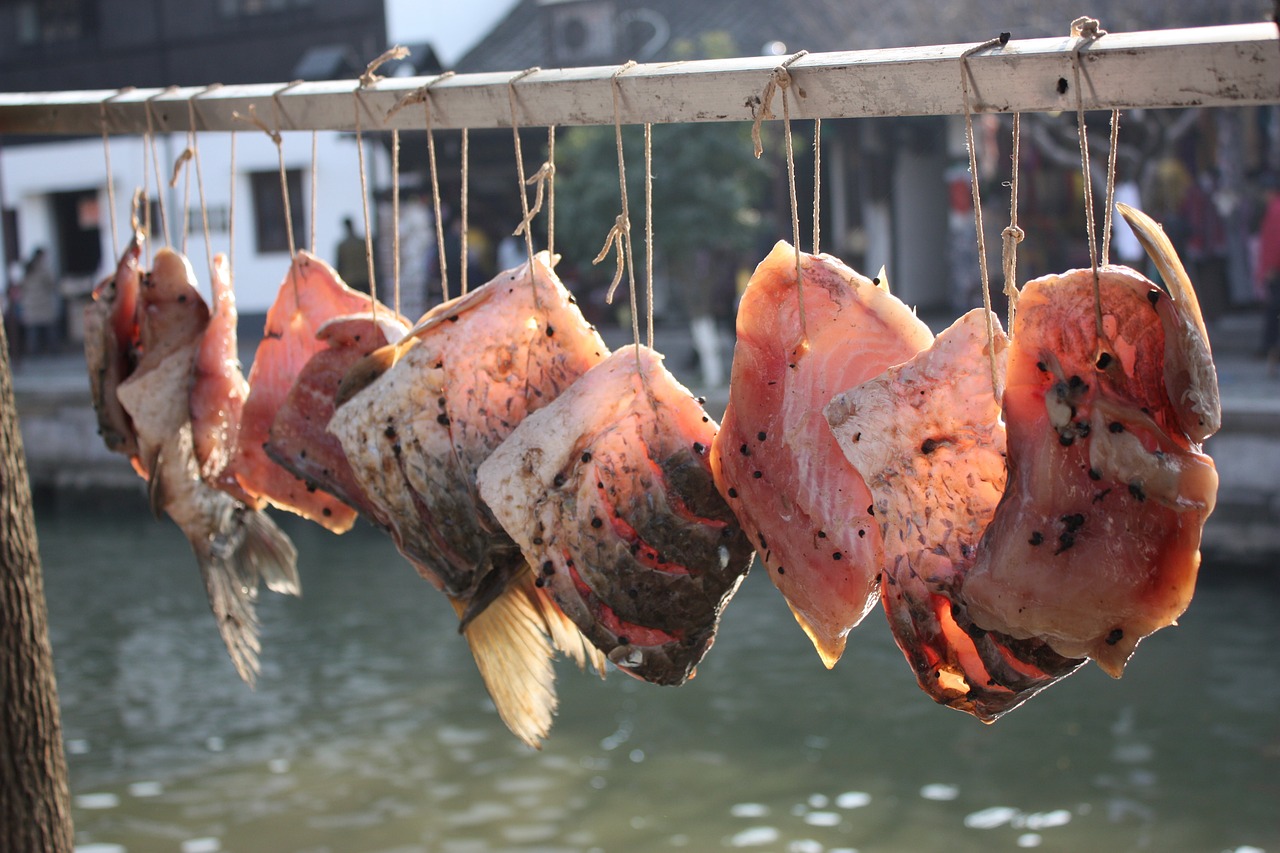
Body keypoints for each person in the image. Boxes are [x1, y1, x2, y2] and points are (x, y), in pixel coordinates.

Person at [1255, 174, 1280, 365]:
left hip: (1276, 270)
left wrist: (1269, 267)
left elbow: (1273, 243)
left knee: (1273, 311)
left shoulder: (1275, 210)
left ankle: (1270, 348)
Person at [18, 248, 58, 356]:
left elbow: (22, 285)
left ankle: (34, 352)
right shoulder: (43, 268)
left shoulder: (27, 268)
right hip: (43, 301)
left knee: (33, 330)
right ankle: (52, 350)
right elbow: (51, 283)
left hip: (30, 302)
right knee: (49, 328)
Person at [335, 217, 370, 293]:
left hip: (350, 280)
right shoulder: (362, 243)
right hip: (364, 278)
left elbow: (339, 265)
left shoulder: (342, 246)